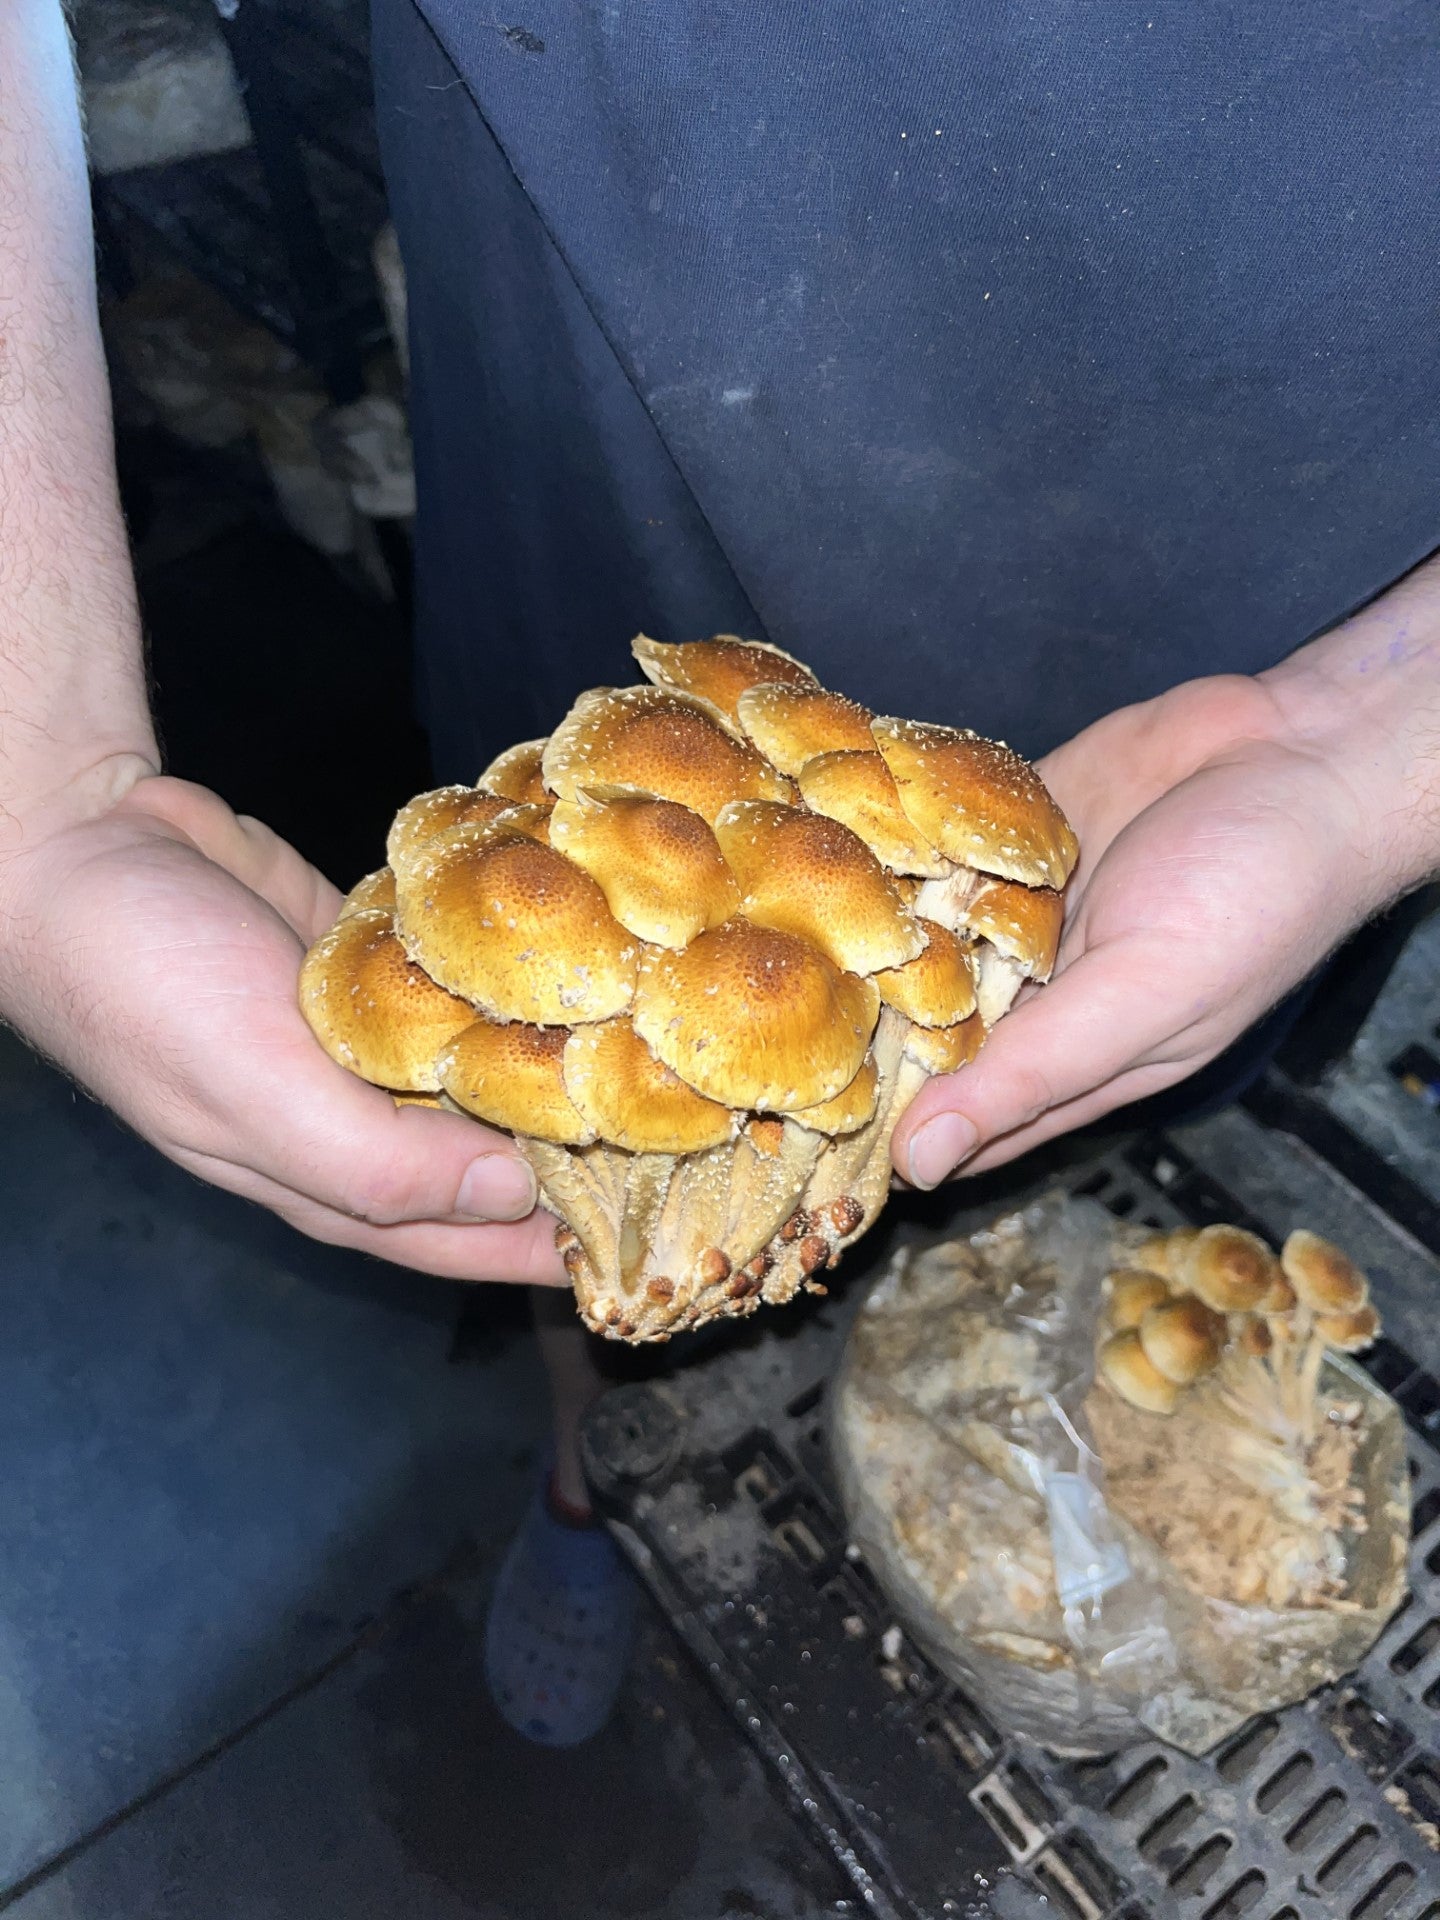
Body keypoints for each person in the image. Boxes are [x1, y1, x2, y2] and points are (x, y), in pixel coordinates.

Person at [3, 1, 1437, 1746]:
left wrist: (1376, 736)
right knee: (557, 1138)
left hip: (1278, 488)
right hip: (605, 336)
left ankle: (959, 1346)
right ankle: (588, 1461)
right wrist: (33, 769)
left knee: (1058, 1046)